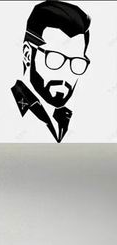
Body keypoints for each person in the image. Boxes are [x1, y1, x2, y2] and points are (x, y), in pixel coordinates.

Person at [11, 1, 91, 143]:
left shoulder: (66, 117)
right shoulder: (8, 112)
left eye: (76, 61)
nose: (66, 73)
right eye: (55, 59)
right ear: (28, 54)